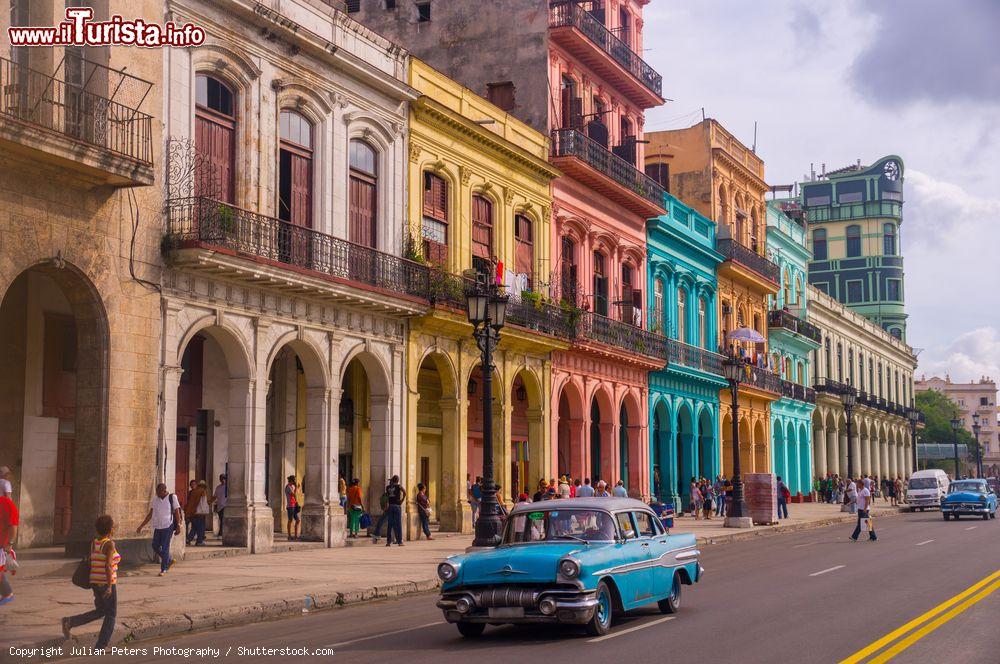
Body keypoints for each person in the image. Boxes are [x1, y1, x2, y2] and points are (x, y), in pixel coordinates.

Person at [62, 515, 119, 648]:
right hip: (105, 583)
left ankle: (70, 622)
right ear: (110, 529)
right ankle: (101, 645)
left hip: (94, 582)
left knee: (101, 611)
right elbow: (108, 565)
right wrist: (110, 586)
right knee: (111, 614)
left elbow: (93, 560)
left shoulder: (95, 542)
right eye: (113, 526)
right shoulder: (110, 544)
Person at [136, 483, 181, 577]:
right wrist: (141, 526)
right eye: (156, 492)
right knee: (155, 545)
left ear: (164, 491)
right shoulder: (155, 499)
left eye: (159, 492)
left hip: (168, 525)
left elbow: (177, 512)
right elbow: (151, 513)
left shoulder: (172, 497)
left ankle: (163, 568)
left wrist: (179, 525)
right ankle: (168, 560)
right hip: (158, 526)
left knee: (165, 547)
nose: (157, 494)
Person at [0, 492, 18, 605]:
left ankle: (7, 593)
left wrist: (10, 543)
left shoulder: (6, 503)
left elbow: (13, 526)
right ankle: (7, 593)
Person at [185, 480, 210, 546]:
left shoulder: (193, 492)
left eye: (194, 484)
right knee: (200, 527)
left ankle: (188, 539)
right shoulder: (201, 492)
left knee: (195, 527)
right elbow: (203, 503)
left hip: (193, 512)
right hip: (197, 512)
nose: (193, 486)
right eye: (191, 484)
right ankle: (199, 541)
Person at [384, 475, 406, 547]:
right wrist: (402, 500)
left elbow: (387, 498)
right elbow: (404, 492)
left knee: (390, 524)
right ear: (398, 480)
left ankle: (388, 542)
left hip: (390, 506)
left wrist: (386, 505)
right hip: (397, 506)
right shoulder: (399, 487)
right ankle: (400, 541)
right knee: (398, 524)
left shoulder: (387, 488)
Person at [284, 475, 301, 541]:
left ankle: (296, 536)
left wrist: (297, 488)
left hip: (294, 505)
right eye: (294, 480)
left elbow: (295, 495)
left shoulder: (291, 487)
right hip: (290, 506)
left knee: (297, 520)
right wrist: (296, 487)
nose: (295, 481)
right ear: (292, 481)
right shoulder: (288, 487)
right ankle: (289, 536)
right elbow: (294, 494)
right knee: (290, 520)